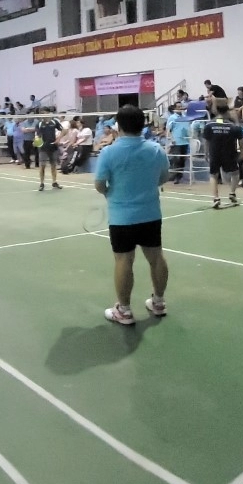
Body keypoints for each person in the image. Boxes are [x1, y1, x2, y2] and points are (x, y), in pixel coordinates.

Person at [94, 105, 171, 326]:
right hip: (150, 214)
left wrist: (109, 193)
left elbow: (100, 184)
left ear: (118, 126)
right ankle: (158, 303)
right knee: (156, 257)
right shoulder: (156, 150)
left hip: (122, 218)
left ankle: (124, 311)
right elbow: (163, 177)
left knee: (123, 260)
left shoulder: (109, 152)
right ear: (143, 125)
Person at [202, 103, 243, 209]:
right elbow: (241, 141)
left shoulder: (209, 125)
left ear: (216, 111)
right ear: (227, 111)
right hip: (230, 154)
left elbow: (206, 141)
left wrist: (206, 153)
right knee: (235, 173)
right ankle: (232, 193)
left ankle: (216, 198)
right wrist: (242, 152)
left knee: (213, 175)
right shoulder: (234, 126)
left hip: (214, 153)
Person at [35, 114, 63, 192]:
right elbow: (37, 135)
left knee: (53, 165)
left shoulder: (54, 122)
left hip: (53, 147)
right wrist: (37, 143)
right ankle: (42, 183)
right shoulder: (39, 124)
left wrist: (58, 139)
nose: (44, 116)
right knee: (42, 166)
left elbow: (64, 130)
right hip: (43, 148)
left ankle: (54, 182)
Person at [166, 105, 192, 184]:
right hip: (176, 141)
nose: (180, 108)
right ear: (175, 109)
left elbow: (188, 128)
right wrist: (172, 139)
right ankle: (174, 176)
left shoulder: (185, 117)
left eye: (181, 107)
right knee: (176, 159)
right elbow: (168, 129)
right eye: (178, 107)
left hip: (185, 141)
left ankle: (179, 176)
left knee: (182, 160)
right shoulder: (172, 118)